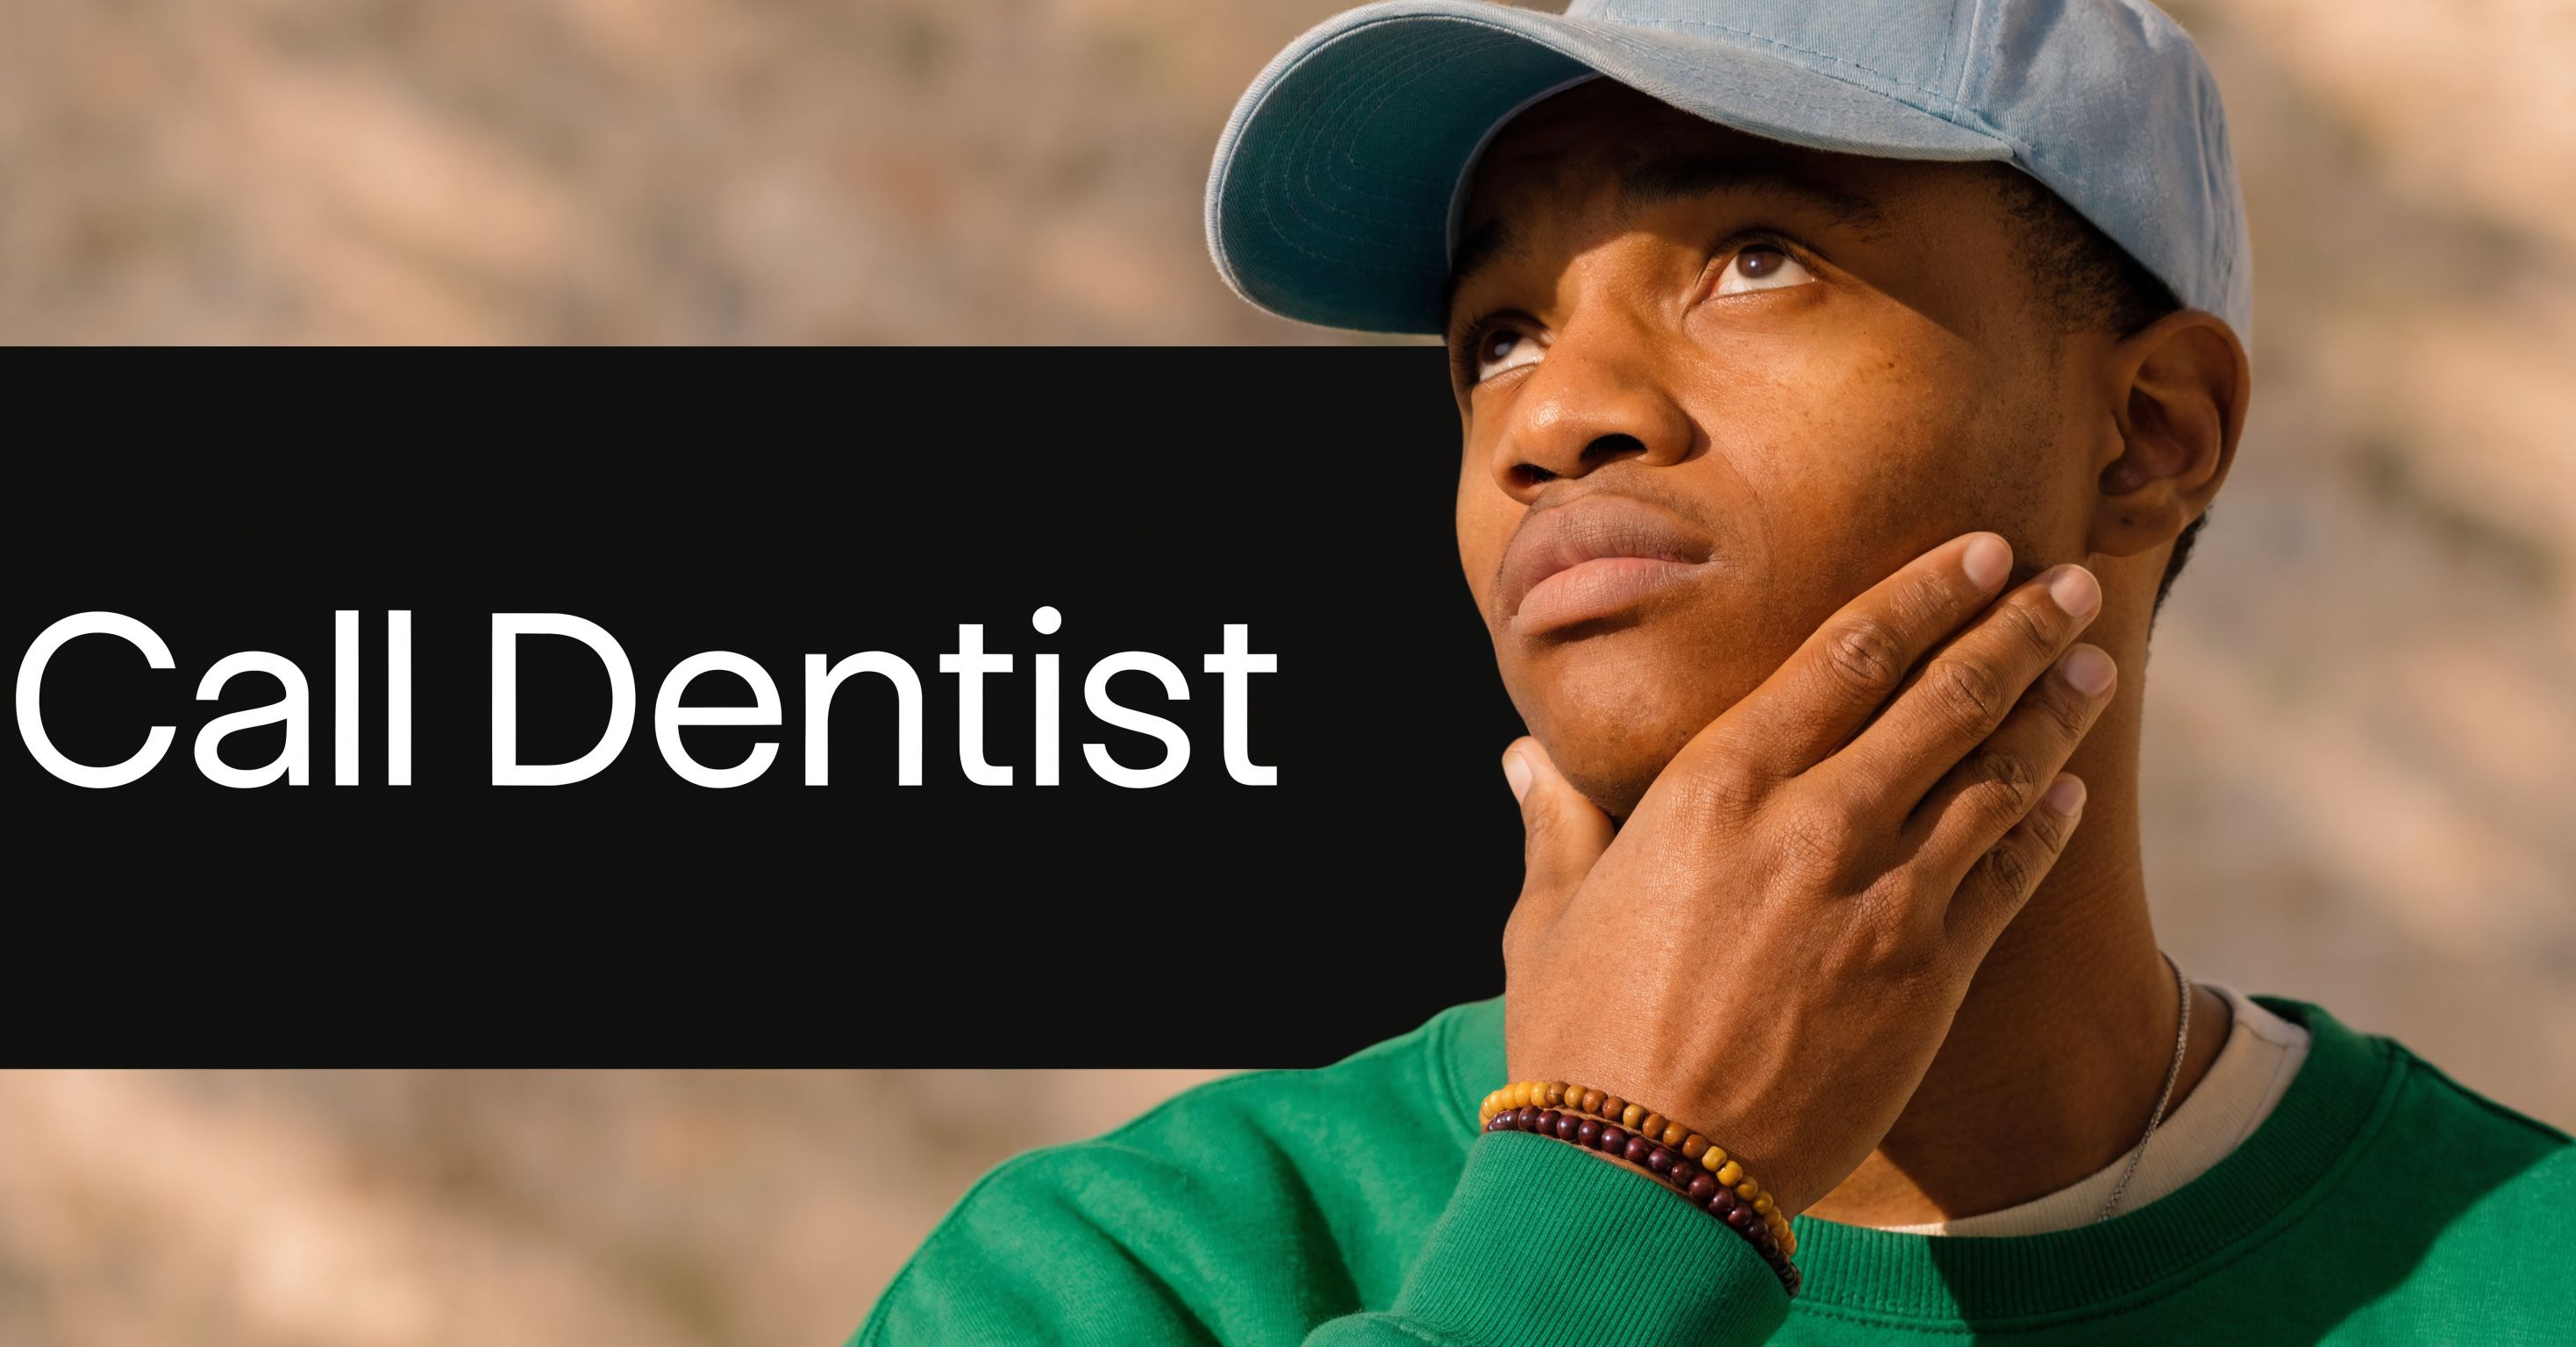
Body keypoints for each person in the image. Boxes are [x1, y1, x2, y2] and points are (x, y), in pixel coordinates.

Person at [854, 2, 2573, 1341]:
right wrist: (1621, 1207)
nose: (1549, 414)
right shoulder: (1147, 1275)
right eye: (1496, 336)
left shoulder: (2522, 1278)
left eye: (1757, 254)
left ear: (2147, 436)